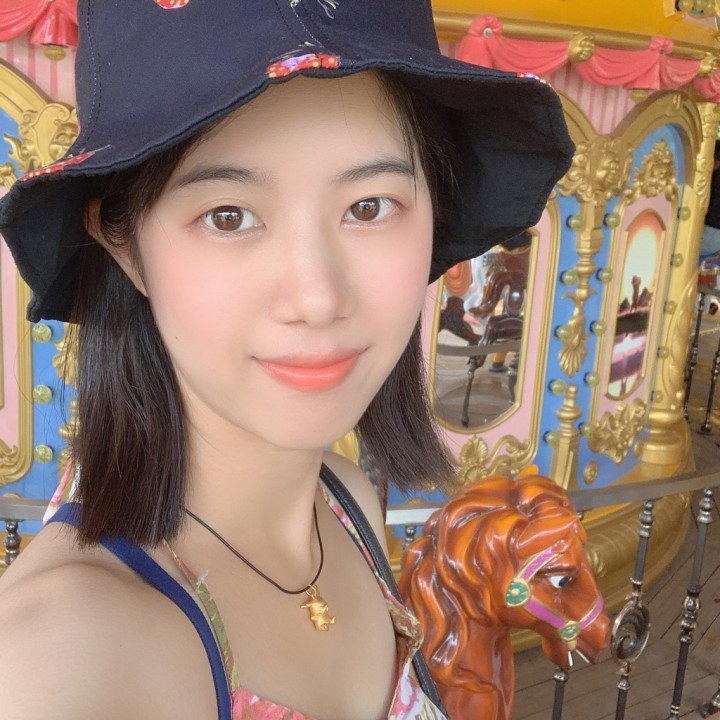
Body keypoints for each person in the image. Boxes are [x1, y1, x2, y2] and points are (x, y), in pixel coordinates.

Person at [0, 1, 573, 718]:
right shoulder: (68, 658)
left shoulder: (347, 505)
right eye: (229, 216)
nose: (317, 298)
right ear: (125, 245)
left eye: (370, 206)